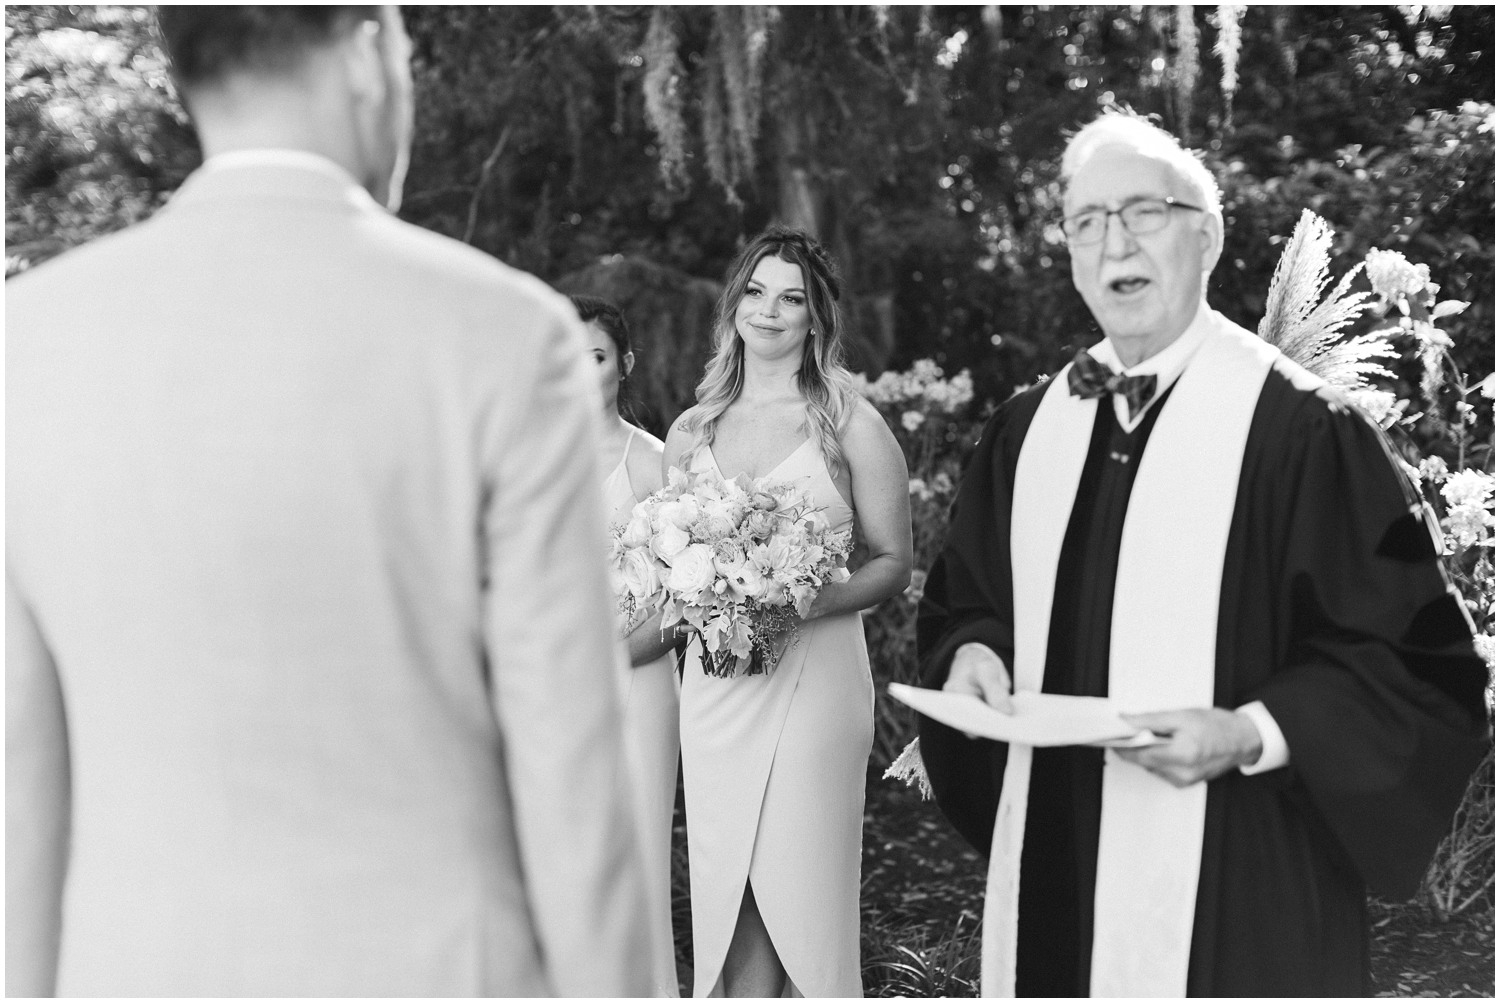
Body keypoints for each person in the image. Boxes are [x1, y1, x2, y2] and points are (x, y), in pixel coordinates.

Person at [7, 7, 651, 997]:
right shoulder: (502, 334)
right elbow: (574, 780)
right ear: (365, 53)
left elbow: (21, 775)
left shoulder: (32, 344)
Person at [915, 110, 1490, 997]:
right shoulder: (1030, 430)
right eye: (1088, 221)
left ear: (1207, 236)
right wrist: (975, 653)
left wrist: (1250, 731)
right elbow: (969, 596)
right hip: (1057, 859)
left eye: (1143, 211)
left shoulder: (1301, 431)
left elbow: (1411, 661)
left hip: (1241, 877)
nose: (1115, 243)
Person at [662, 226, 913, 998]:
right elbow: (670, 567)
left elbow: (892, 563)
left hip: (815, 685)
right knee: (725, 889)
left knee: (801, 890)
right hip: (716, 689)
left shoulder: (850, 425)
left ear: (816, 320)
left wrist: (800, 601)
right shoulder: (690, 430)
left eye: (792, 298)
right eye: (757, 292)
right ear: (734, 304)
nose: (770, 311)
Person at [572, 293, 683, 997]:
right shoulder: (531, 456)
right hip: (557, 690)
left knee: (638, 856)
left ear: (625, 364)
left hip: (637, 682)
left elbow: (685, 599)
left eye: (597, 356)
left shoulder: (652, 461)